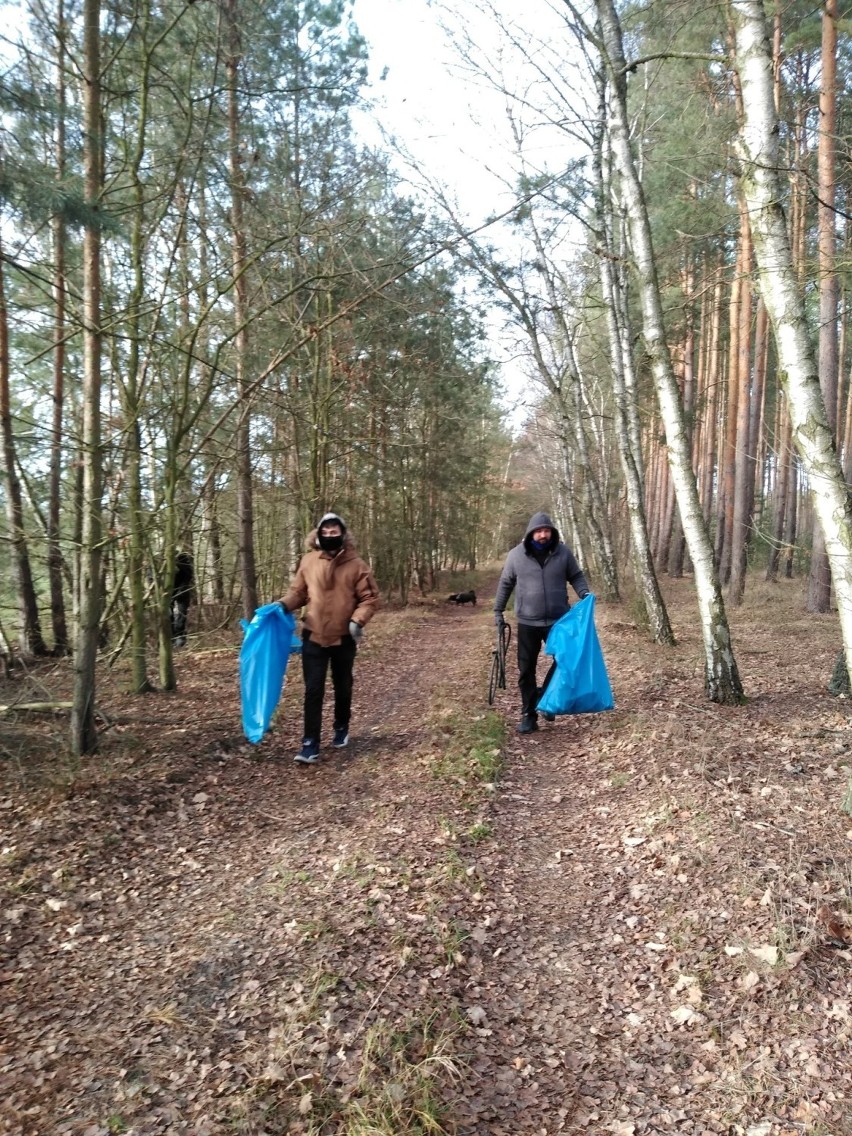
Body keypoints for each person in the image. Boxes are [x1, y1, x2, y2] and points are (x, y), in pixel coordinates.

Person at [279, 512, 380, 764]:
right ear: (318, 534)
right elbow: (298, 592)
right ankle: (310, 743)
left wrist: (358, 620)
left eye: (334, 532)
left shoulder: (357, 565)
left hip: (344, 637)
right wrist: (282, 605)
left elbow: (370, 598)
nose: (330, 535)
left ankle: (341, 725)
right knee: (313, 689)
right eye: (325, 532)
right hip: (313, 635)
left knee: (342, 684)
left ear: (343, 535)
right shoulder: (309, 561)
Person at [493, 511, 590, 734]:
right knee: (526, 670)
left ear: (552, 533)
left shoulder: (563, 552)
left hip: (558, 620)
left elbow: (576, 576)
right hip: (527, 622)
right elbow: (506, 583)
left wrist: (584, 593)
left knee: (565, 662)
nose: (543, 535)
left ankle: (546, 697)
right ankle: (529, 715)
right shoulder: (516, 556)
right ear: (530, 534)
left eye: (546, 531)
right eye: (539, 531)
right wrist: (498, 611)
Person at [171, 551, 195, 648]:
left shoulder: (181, 556)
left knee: (182, 612)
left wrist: (182, 589)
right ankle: (171, 637)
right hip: (166, 590)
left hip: (182, 588)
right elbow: (151, 578)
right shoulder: (157, 559)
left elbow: (188, 574)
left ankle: (180, 635)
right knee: (168, 614)